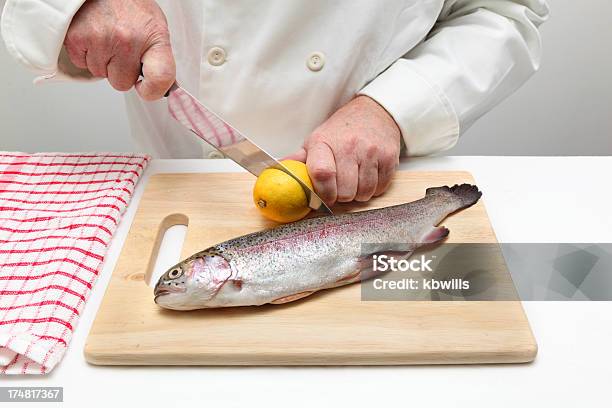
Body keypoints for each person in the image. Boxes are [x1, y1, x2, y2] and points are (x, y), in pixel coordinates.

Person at [1, 0, 548, 205]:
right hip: (173, 188)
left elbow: (504, 10)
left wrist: (393, 107)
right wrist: (76, 7)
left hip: (374, 191)